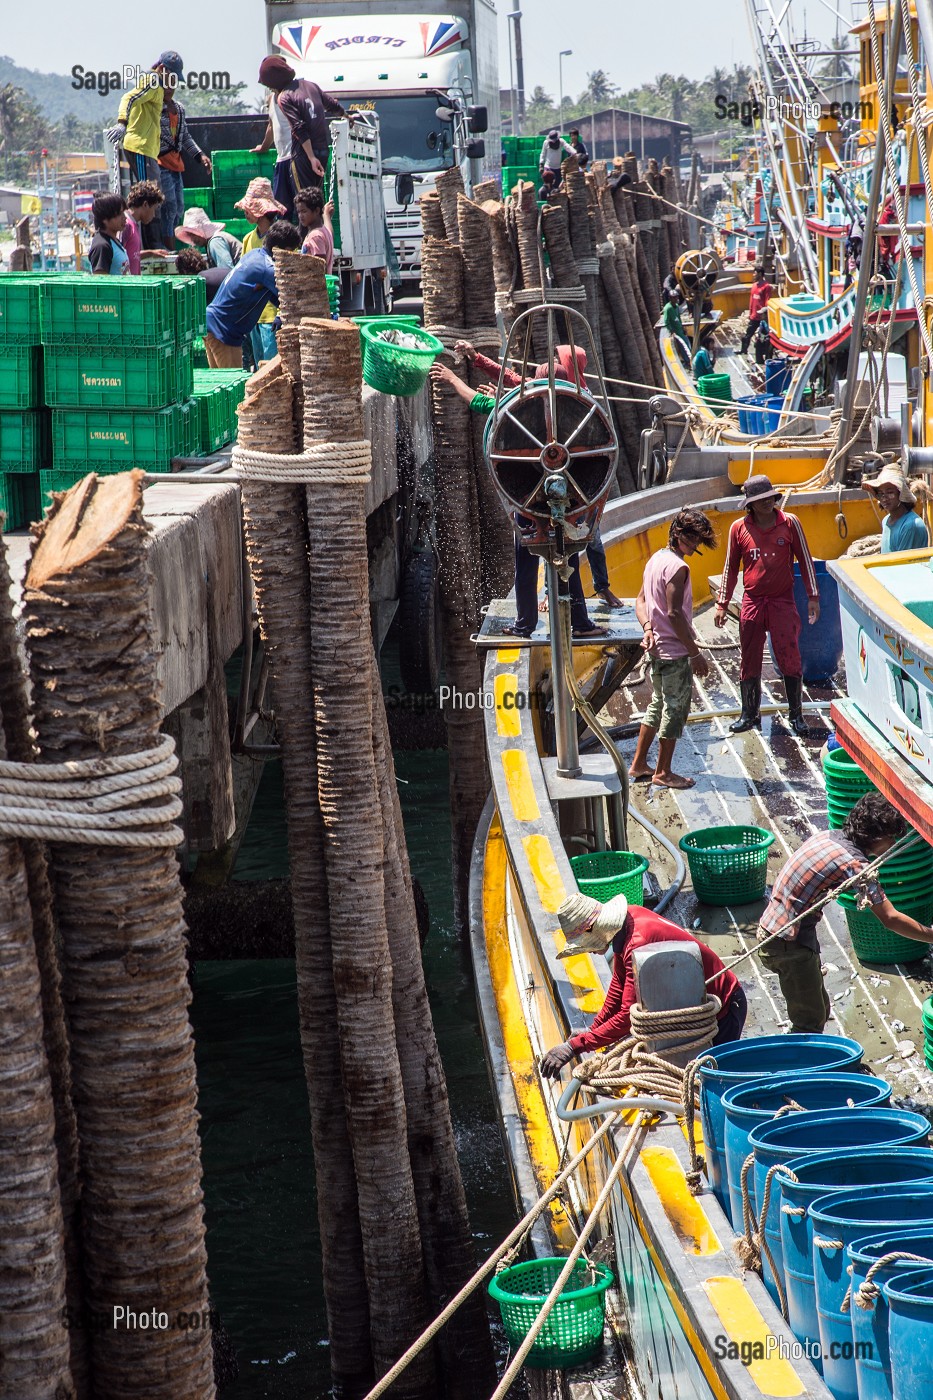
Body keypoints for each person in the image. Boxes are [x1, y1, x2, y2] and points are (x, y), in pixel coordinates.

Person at [436, 343, 607, 639]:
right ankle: (579, 623)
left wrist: (453, 379)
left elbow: (478, 401)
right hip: (574, 497)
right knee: (569, 560)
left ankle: (525, 624)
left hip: (528, 498)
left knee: (526, 564)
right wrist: (480, 362)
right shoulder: (583, 406)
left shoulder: (517, 409)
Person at [757, 793, 933, 1033]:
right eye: (891, 838)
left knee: (819, 1009)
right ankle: (803, 1066)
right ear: (877, 836)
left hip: (772, 929)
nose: (892, 846)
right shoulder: (854, 863)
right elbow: (890, 918)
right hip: (787, 943)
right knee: (809, 1022)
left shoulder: (829, 836)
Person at [539, 892, 746, 1077]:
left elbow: (626, 1018)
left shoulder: (638, 942)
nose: (589, 951)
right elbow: (618, 987)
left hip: (725, 1006)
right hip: (695, 1000)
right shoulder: (629, 919)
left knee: (716, 1078)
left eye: (587, 944)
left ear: (596, 929)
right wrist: (593, 1029)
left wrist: (575, 1046)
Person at [715, 475, 819, 736]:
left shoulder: (790, 522)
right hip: (752, 602)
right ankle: (749, 714)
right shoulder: (738, 528)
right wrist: (722, 603)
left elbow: (805, 561)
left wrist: (813, 596)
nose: (766, 503)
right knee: (749, 658)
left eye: (769, 498)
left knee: (789, 657)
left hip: (782, 601)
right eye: (759, 500)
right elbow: (730, 567)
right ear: (750, 504)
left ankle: (796, 716)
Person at [631, 508, 717, 789]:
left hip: (656, 651)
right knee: (676, 709)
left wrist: (647, 630)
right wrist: (694, 653)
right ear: (679, 535)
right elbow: (674, 614)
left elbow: (640, 601)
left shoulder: (655, 559)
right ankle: (663, 772)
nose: (695, 548)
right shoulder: (679, 568)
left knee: (657, 704)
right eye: (692, 541)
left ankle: (638, 765)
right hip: (675, 653)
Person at [204, 219, 301, 368]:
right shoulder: (267, 268)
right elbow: (293, 299)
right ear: (278, 249)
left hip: (212, 324)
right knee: (232, 388)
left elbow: (277, 298)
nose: (290, 256)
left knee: (221, 386)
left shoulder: (255, 255)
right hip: (223, 332)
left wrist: (282, 314)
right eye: (289, 251)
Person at [258, 55, 350, 194]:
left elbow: (298, 127)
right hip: (322, 150)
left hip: (303, 154)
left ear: (275, 80)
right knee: (314, 197)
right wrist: (347, 117)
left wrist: (311, 157)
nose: (269, 88)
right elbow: (332, 105)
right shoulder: (310, 85)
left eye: (269, 84)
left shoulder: (285, 97)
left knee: (304, 201)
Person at [106, 52, 183, 194]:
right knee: (148, 196)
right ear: (161, 69)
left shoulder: (159, 88)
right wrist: (122, 123)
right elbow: (129, 98)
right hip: (140, 148)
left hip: (148, 151)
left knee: (154, 199)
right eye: (172, 77)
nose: (174, 82)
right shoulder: (152, 81)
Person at [237, 179, 288, 364]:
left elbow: (288, 279)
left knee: (273, 367)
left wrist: (282, 313)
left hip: (272, 316)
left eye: (249, 207)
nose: (245, 212)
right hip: (253, 316)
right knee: (260, 368)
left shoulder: (281, 237)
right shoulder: (247, 239)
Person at [157, 90, 212, 250]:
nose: (169, 88)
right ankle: (169, 250)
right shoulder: (155, 110)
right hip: (161, 163)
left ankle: (171, 246)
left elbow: (185, 136)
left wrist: (200, 155)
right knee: (170, 207)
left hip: (176, 165)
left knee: (179, 207)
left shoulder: (179, 108)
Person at [251, 88, 296, 220]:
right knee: (281, 208)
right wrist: (264, 146)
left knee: (300, 206)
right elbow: (271, 126)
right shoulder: (271, 99)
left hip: (295, 158)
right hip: (281, 159)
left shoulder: (290, 96)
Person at [863, 464, 929, 553]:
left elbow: (905, 564)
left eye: (890, 493)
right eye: (881, 493)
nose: (884, 498)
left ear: (901, 494)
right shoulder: (886, 520)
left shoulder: (911, 525)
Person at [121, 181, 170, 273]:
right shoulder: (126, 224)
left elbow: (131, 254)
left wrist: (151, 253)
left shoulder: (134, 224)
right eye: (154, 209)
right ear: (145, 204)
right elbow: (117, 256)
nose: (154, 215)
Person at [175, 208, 243, 270]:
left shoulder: (215, 242)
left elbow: (226, 271)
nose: (193, 239)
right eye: (190, 234)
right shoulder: (212, 242)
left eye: (193, 234)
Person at [295, 187, 335, 272]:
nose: (300, 216)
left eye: (304, 211)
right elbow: (330, 231)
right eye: (298, 212)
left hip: (316, 285)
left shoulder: (315, 236)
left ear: (317, 211)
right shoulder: (324, 231)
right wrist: (326, 215)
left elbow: (320, 267)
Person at [87, 194, 130, 275]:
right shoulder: (102, 246)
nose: (124, 217)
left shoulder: (113, 240)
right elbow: (101, 283)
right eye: (119, 214)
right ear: (105, 219)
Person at [740, 266, 774, 355]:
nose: (753, 275)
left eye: (755, 273)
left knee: (764, 336)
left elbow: (768, 301)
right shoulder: (754, 285)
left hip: (762, 316)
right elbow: (752, 300)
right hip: (754, 316)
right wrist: (750, 312)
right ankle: (743, 350)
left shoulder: (766, 287)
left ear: (760, 274)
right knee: (747, 335)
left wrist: (765, 314)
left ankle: (766, 353)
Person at [538, 128, 574, 195]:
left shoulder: (561, 141)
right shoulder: (546, 143)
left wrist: (575, 153)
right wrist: (541, 164)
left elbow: (568, 147)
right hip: (548, 168)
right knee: (547, 186)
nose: (554, 142)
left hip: (557, 168)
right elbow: (542, 153)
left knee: (556, 188)